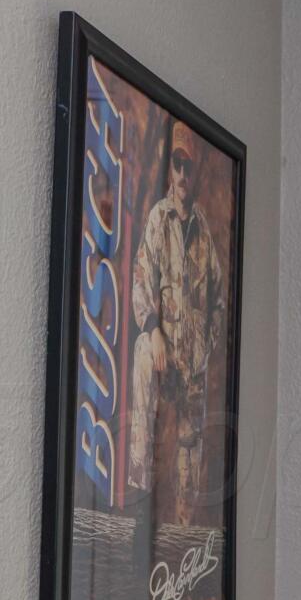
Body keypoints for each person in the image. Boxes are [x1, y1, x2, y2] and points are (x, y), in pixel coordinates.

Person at [125, 120, 225, 535]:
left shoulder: (202, 230)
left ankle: (183, 538)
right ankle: (136, 504)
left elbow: (219, 298)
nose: (183, 174)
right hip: (163, 355)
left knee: (191, 447)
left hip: (193, 363)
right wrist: (153, 330)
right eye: (177, 164)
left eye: (189, 165)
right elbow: (141, 279)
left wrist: (206, 345)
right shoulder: (158, 219)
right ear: (171, 169)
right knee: (142, 357)